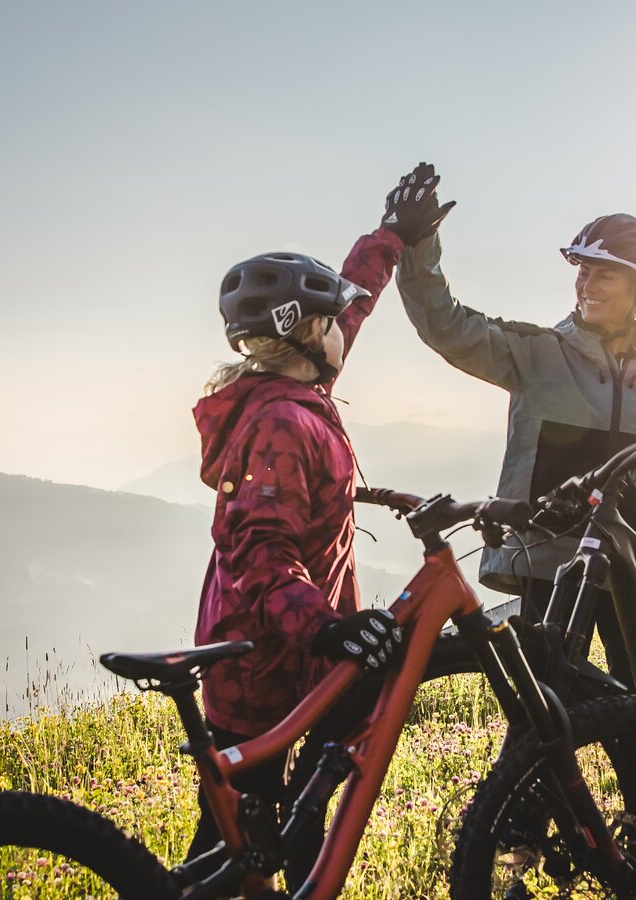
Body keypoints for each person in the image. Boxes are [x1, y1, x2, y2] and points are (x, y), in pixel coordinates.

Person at [388, 162, 636, 685]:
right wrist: (419, 245)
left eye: (604, 273)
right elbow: (446, 325)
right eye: (582, 269)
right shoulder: (540, 354)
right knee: (546, 710)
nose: (587, 282)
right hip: (549, 559)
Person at [184, 178, 448, 883]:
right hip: (263, 666)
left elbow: (350, 308)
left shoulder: (297, 388)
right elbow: (262, 554)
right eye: (332, 319)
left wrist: (390, 237)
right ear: (307, 333)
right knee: (234, 845)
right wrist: (326, 630)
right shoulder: (283, 423)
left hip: (288, 652)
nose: (345, 326)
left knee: (290, 824)